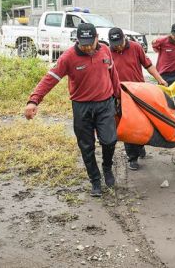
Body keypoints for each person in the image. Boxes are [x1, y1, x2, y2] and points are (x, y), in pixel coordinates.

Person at [24, 23, 121, 197]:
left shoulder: (105, 50)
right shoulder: (68, 57)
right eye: (83, 43)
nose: (87, 47)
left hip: (105, 103)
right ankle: (95, 180)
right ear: (77, 40)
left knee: (109, 140)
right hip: (81, 106)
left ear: (97, 37)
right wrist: (34, 100)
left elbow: (113, 74)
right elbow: (50, 78)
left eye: (90, 43)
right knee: (86, 146)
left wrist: (118, 96)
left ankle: (107, 167)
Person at [108, 27, 168, 170]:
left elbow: (148, 65)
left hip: (139, 93)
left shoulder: (135, 47)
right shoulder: (107, 51)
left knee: (143, 122)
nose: (118, 46)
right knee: (128, 125)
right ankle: (132, 158)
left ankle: (140, 145)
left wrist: (160, 79)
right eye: (114, 44)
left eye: (120, 42)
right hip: (121, 95)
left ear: (124, 38)